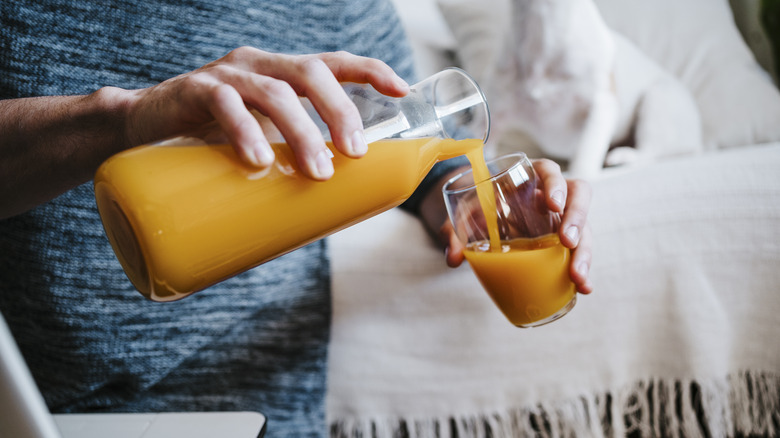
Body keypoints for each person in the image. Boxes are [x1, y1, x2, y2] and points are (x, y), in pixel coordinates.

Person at [0, 0, 592, 436]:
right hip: (42, 411)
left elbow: (432, 165)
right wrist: (121, 121)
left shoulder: (347, 7)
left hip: (270, 415)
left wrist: (496, 215)